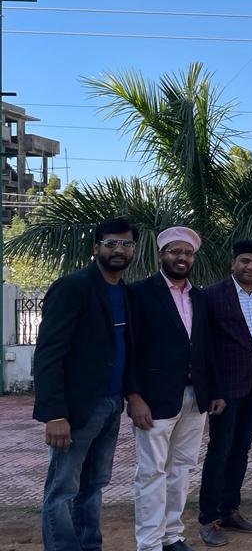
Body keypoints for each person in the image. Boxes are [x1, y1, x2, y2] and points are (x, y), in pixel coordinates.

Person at [34, 218, 137, 551]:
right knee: (63, 488)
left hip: (111, 404)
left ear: (134, 250)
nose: (119, 250)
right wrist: (54, 414)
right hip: (77, 408)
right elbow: (49, 353)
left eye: (126, 244)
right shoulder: (72, 287)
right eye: (111, 243)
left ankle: (89, 544)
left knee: (94, 485)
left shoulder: (124, 292)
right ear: (96, 248)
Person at [126, 226, 223, 551]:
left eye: (187, 253)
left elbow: (207, 347)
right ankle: (149, 544)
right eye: (175, 251)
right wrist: (134, 396)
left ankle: (172, 536)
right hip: (154, 399)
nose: (182, 258)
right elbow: (130, 348)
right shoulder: (140, 293)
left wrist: (215, 391)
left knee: (181, 470)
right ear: (160, 255)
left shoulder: (199, 297)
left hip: (195, 398)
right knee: (151, 472)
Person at [197, 241, 252, 546]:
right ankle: (208, 518)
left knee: (241, 450)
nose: (250, 267)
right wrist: (212, 389)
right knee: (220, 451)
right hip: (225, 390)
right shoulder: (212, 295)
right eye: (244, 261)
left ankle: (230, 509)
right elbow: (204, 345)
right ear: (234, 263)